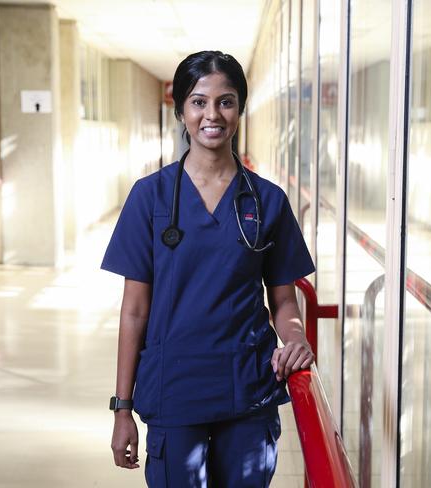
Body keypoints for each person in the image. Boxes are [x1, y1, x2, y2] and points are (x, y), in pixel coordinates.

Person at [101, 51, 316, 487]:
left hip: (248, 390)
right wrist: (122, 407)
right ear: (181, 109)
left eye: (226, 101)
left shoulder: (267, 200)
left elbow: (282, 299)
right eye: (199, 102)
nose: (212, 114)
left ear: (240, 108)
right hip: (175, 392)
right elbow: (134, 311)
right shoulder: (150, 197)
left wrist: (295, 338)